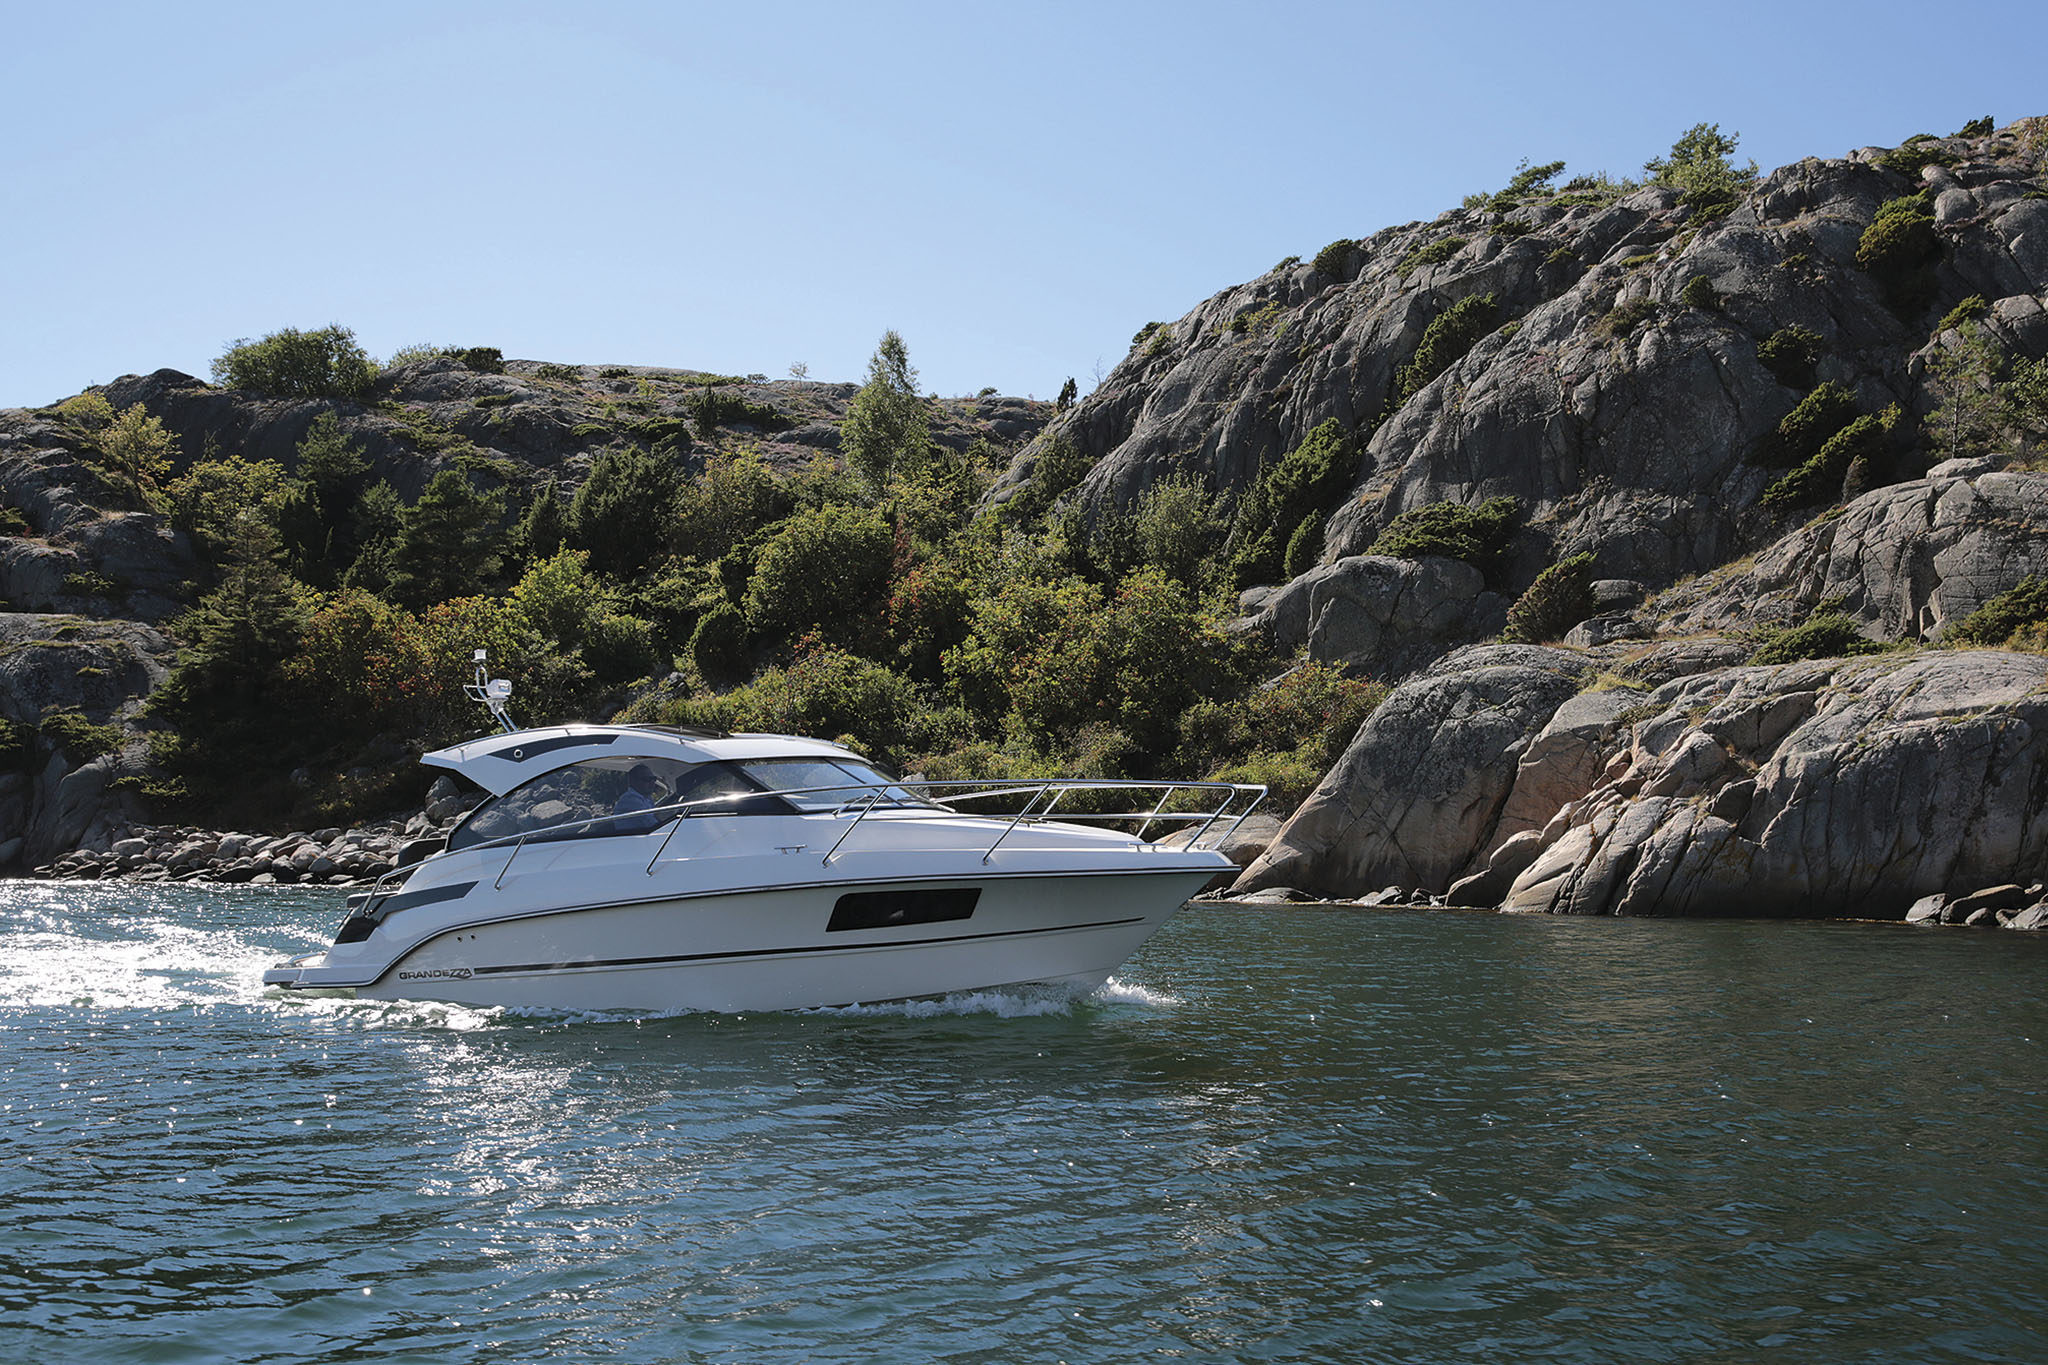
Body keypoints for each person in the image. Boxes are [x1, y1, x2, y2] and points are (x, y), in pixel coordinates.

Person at [611, 764, 665, 834]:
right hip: (630, 838)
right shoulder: (630, 800)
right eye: (647, 779)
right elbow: (654, 825)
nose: (652, 782)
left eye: (653, 779)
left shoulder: (646, 798)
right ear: (633, 781)